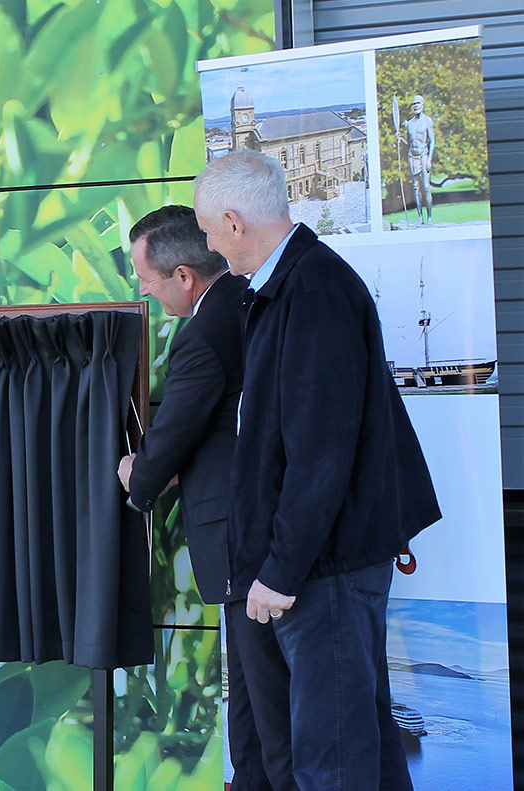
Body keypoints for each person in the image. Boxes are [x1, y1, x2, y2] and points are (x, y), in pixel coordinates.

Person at [193, 151, 440, 791]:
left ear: (232, 221)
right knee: (363, 747)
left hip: (320, 566)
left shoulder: (313, 289)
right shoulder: (295, 285)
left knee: (331, 761)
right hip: (322, 559)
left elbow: (320, 451)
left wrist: (280, 568)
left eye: (207, 229)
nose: (209, 245)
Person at [117, 205, 290, 791]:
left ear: (184, 277)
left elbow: (170, 441)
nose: (143, 292)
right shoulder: (253, 306)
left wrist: (136, 475)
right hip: (269, 544)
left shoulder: (203, 336)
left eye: (147, 280)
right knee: (254, 703)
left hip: (244, 549)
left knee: (264, 709)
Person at [398, 94, 436, 225]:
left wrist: (430, 159)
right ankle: (420, 217)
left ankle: (429, 217)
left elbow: (432, 141)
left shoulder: (427, 121)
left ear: (423, 105)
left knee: (426, 187)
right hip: (412, 156)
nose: (415, 106)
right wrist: (400, 138)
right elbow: (409, 143)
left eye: (418, 103)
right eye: (414, 104)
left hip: (424, 154)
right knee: (415, 187)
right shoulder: (409, 123)